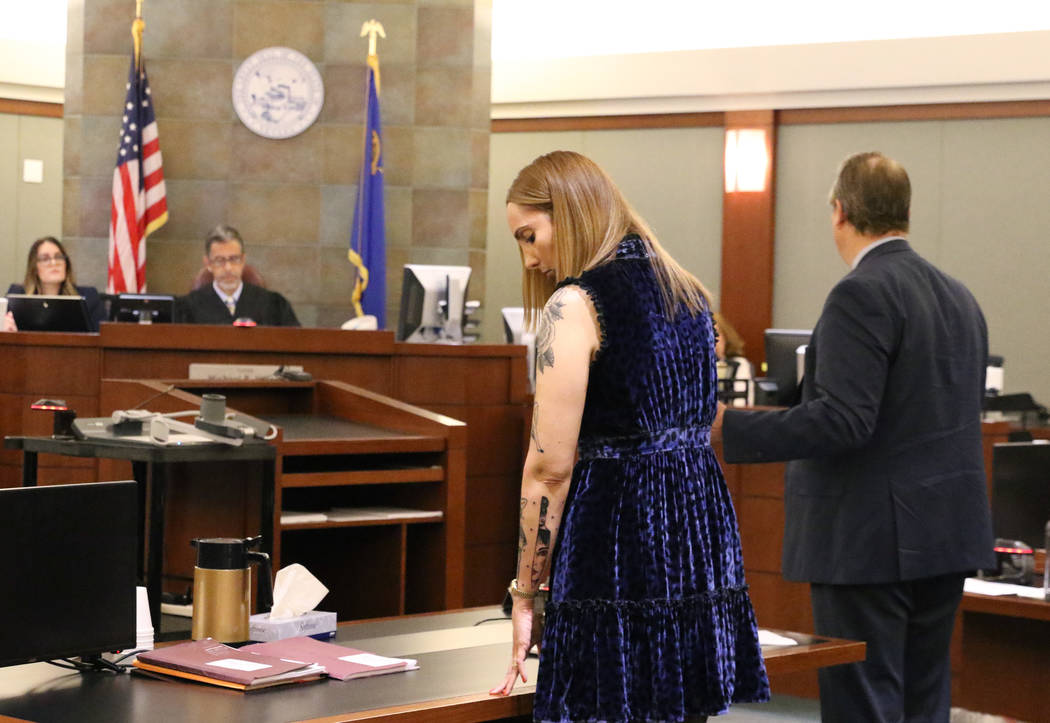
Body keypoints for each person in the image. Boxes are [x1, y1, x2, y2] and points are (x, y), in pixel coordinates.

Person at [489, 150, 769, 722]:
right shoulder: (687, 290)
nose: (530, 256)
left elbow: (549, 469)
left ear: (565, 213)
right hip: (696, 535)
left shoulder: (574, 304)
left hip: (617, 537)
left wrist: (526, 593)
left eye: (529, 234)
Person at [717, 151, 995, 723]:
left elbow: (843, 420)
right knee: (924, 702)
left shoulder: (859, 293)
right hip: (945, 534)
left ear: (839, 211)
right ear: (904, 212)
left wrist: (729, 426)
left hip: (871, 542)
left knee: (864, 704)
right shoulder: (960, 297)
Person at [174, 225, 299, 326]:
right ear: (208, 263)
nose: (228, 268)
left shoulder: (274, 304)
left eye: (234, 259)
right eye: (219, 260)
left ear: (243, 260)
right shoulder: (187, 307)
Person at [3, 236, 106, 332]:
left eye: (59, 257)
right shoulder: (17, 295)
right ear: (34, 268)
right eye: (45, 258)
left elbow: (101, 338)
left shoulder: (89, 297)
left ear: (66, 264)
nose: (54, 263)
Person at [712, 311, 754, 407]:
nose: (712, 340)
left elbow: (740, 405)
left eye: (716, 333)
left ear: (725, 337)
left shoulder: (738, 364)